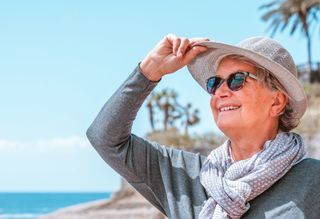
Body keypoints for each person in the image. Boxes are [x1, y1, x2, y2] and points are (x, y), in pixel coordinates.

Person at [86, 34, 320, 219]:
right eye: (214, 82)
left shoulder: (312, 181)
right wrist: (149, 71)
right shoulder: (185, 175)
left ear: (277, 102)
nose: (221, 91)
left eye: (237, 79)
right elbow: (105, 139)